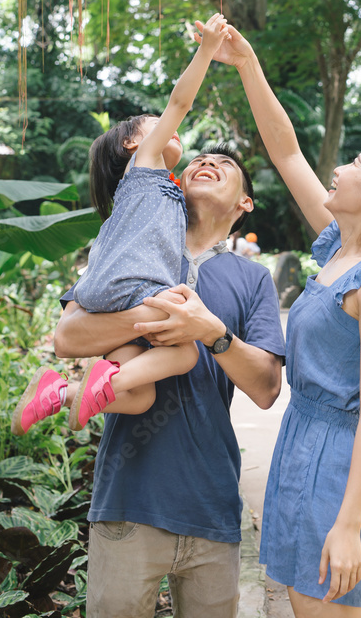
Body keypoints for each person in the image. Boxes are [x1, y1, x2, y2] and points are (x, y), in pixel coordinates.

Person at [204, 21, 361, 618]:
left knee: (323, 608)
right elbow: (285, 150)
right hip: (298, 443)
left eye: (356, 163)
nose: (338, 168)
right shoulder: (339, 248)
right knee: (301, 602)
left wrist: (347, 524)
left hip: (337, 462)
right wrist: (247, 65)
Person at [54, 142, 286, 618]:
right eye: (200, 159)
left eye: (225, 165)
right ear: (176, 183)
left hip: (212, 504)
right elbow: (68, 336)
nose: (208, 163)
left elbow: (265, 388)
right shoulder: (134, 246)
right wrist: (147, 318)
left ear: (245, 204)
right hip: (128, 498)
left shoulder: (253, 279)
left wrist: (213, 335)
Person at [11, 13, 230, 437]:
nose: (175, 130)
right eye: (156, 125)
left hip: (116, 293)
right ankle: (91, 381)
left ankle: (60, 392)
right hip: (130, 285)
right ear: (134, 143)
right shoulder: (144, 168)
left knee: (140, 396)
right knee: (184, 353)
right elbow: (179, 103)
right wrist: (206, 52)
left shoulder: (167, 193)